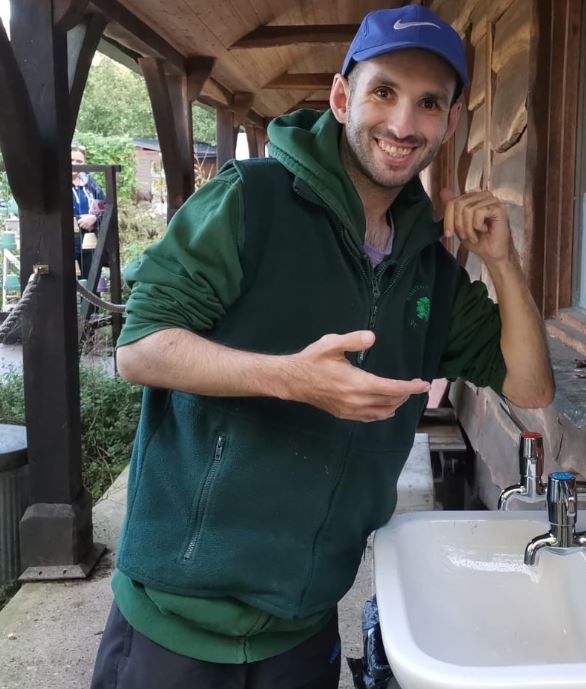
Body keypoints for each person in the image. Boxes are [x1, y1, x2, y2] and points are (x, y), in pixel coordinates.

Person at [89, 5, 553, 689]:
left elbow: (531, 386)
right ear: (343, 98)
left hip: (303, 627)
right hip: (176, 624)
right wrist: (291, 378)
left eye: (429, 104)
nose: (402, 125)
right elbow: (140, 348)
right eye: (384, 92)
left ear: (451, 123)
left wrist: (506, 264)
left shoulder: (431, 269)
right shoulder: (249, 202)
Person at [71, 143, 106, 278]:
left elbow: (102, 203)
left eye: (79, 161)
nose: (75, 164)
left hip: (89, 244)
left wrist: (94, 217)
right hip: (66, 245)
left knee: (92, 286)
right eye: (71, 160)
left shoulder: (90, 183)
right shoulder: (57, 183)